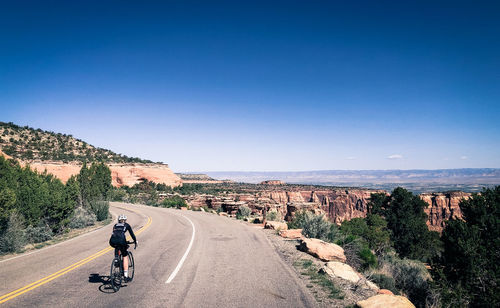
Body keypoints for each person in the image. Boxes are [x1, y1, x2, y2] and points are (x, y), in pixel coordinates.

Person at [109, 214, 137, 280]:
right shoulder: (126, 225)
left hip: (112, 241)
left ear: (118, 220)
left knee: (117, 246)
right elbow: (132, 234)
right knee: (125, 256)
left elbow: (115, 234)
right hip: (121, 240)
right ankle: (126, 276)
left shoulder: (115, 225)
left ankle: (116, 259)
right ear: (125, 220)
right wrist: (135, 241)